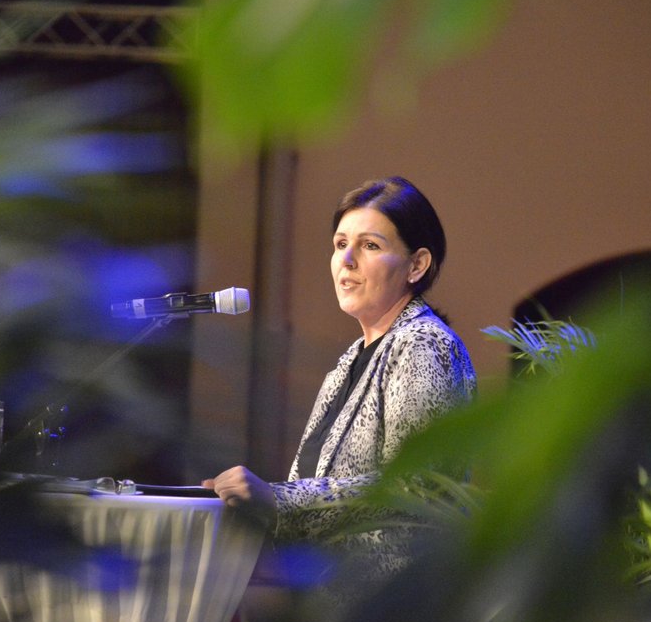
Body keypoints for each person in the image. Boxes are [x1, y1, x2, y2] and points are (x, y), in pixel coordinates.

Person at [203, 176, 476, 592]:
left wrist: (276, 499)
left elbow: (414, 487)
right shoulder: (351, 360)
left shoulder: (423, 344)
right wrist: (242, 505)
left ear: (417, 265)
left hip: (393, 603)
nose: (346, 260)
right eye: (340, 243)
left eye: (370, 246)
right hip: (331, 597)